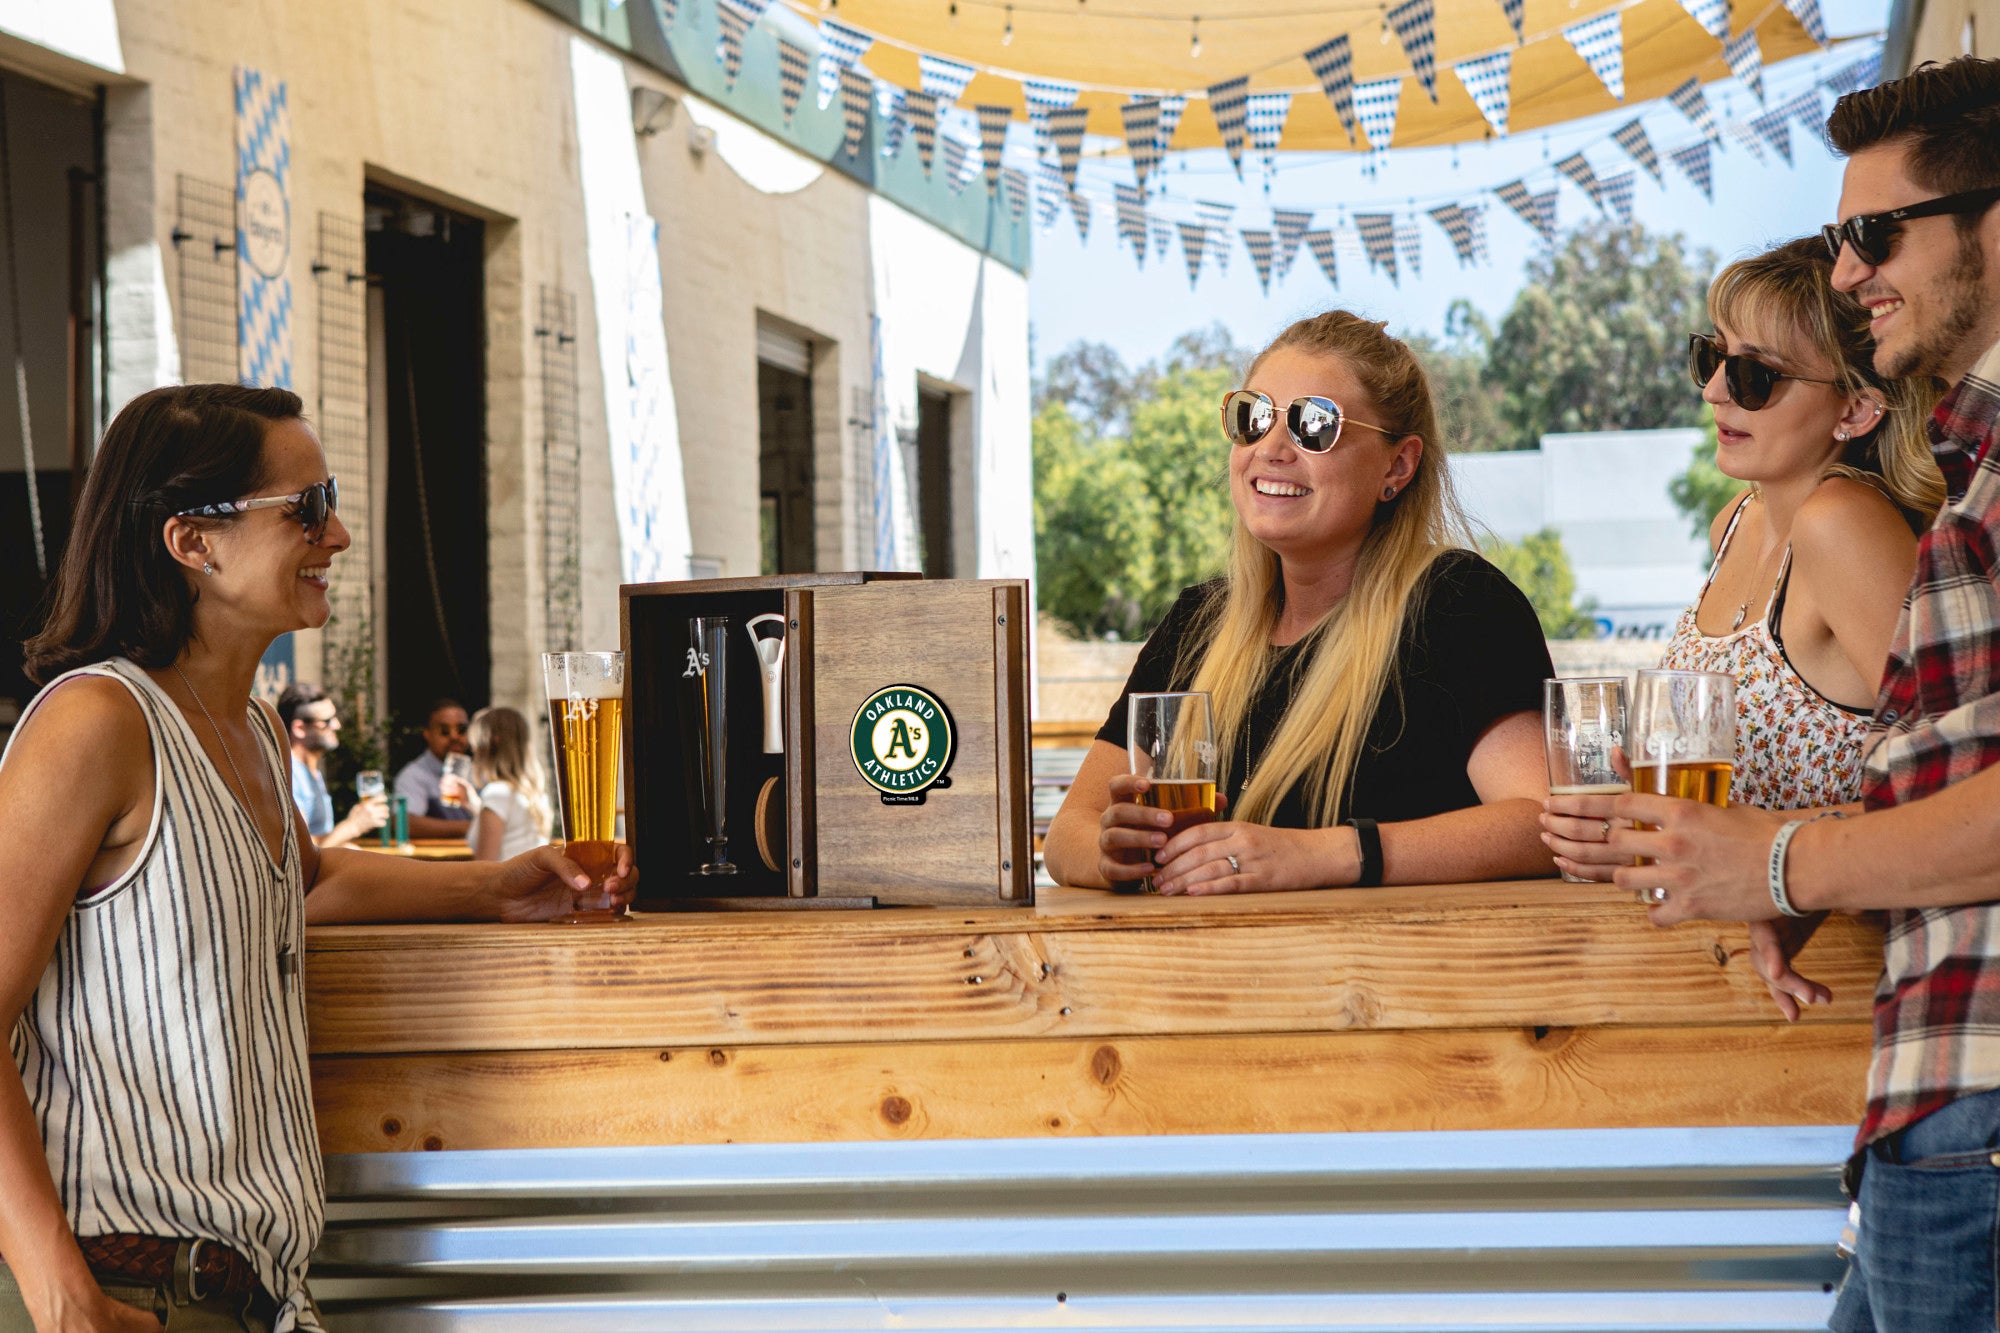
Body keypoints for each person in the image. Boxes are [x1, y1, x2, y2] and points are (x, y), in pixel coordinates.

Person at [0, 384, 635, 1332]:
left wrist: (501, 888)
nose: (336, 534)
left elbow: (308, 882)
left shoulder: (252, 727)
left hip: (245, 1294)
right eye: (306, 507)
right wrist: (61, 1295)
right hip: (125, 1286)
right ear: (193, 541)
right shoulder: (96, 720)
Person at [1589, 58, 2000, 1333]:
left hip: (1957, 1083)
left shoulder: (1851, 519)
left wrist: (1778, 866)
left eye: (1874, 234)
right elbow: (1932, 762)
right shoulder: (1968, 465)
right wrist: (1797, 880)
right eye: (1709, 360)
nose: (1847, 272)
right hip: (1928, 1074)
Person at [1042, 311, 1556, 894]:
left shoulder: (1459, 605)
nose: (1271, 448)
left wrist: (1323, 854)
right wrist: (1115, 852)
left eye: (1315, 425)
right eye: (1253, 417)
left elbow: (1542, 824)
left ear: (1398, 464)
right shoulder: (1197, 623)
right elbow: (1067, 835)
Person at [1544, 236, 1943, 879]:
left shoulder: (1840, 524)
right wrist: (1643, 823)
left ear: (1857, 407)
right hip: (1728, 926)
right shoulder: (1734, 523)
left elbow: (1957, 788)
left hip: (1837, 928)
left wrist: (1745, 841)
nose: (1714, 391)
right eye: (1713, 356)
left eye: (1757, 375)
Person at [277, 681, 388, 849]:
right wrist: (353, 826)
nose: (337, 725)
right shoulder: (289, 774)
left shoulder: (311, 772)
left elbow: (317, 840)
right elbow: (299, 851)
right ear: (300, 728)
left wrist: (353, 824)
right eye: (327, 721)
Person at [453, 705, 553, 861]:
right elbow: (511, 834)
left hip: (507, 878)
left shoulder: (497, 793)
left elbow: (485, 868)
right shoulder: (535, 793)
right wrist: (472, 804)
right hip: (530, 877)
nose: (473, 750)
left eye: (476, 742)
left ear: (491, 743)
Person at [393, 698, 474, 839]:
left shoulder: (480, 772)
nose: (454, 736)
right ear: (428, 734)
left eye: (461, 730)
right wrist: (471, 827)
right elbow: (405, 822)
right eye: (444, 731)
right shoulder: (413, 775)